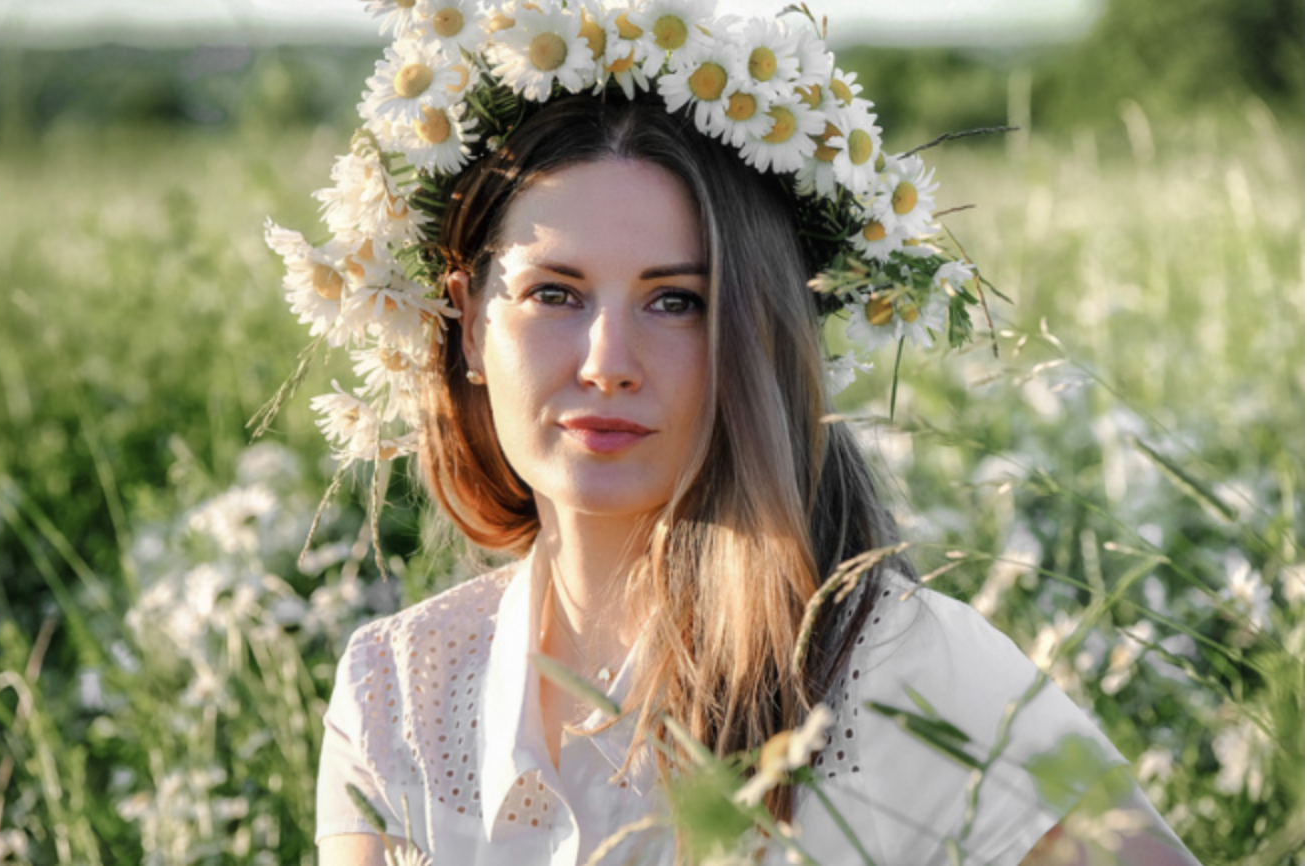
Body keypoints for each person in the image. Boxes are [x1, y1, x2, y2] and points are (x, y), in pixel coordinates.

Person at [263, 4, 1204, 864]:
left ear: (756, 335)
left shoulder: (908, 670)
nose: (607, 359)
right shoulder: (398, 691)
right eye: (555, 293)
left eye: (677, 302)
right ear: (470, 325)